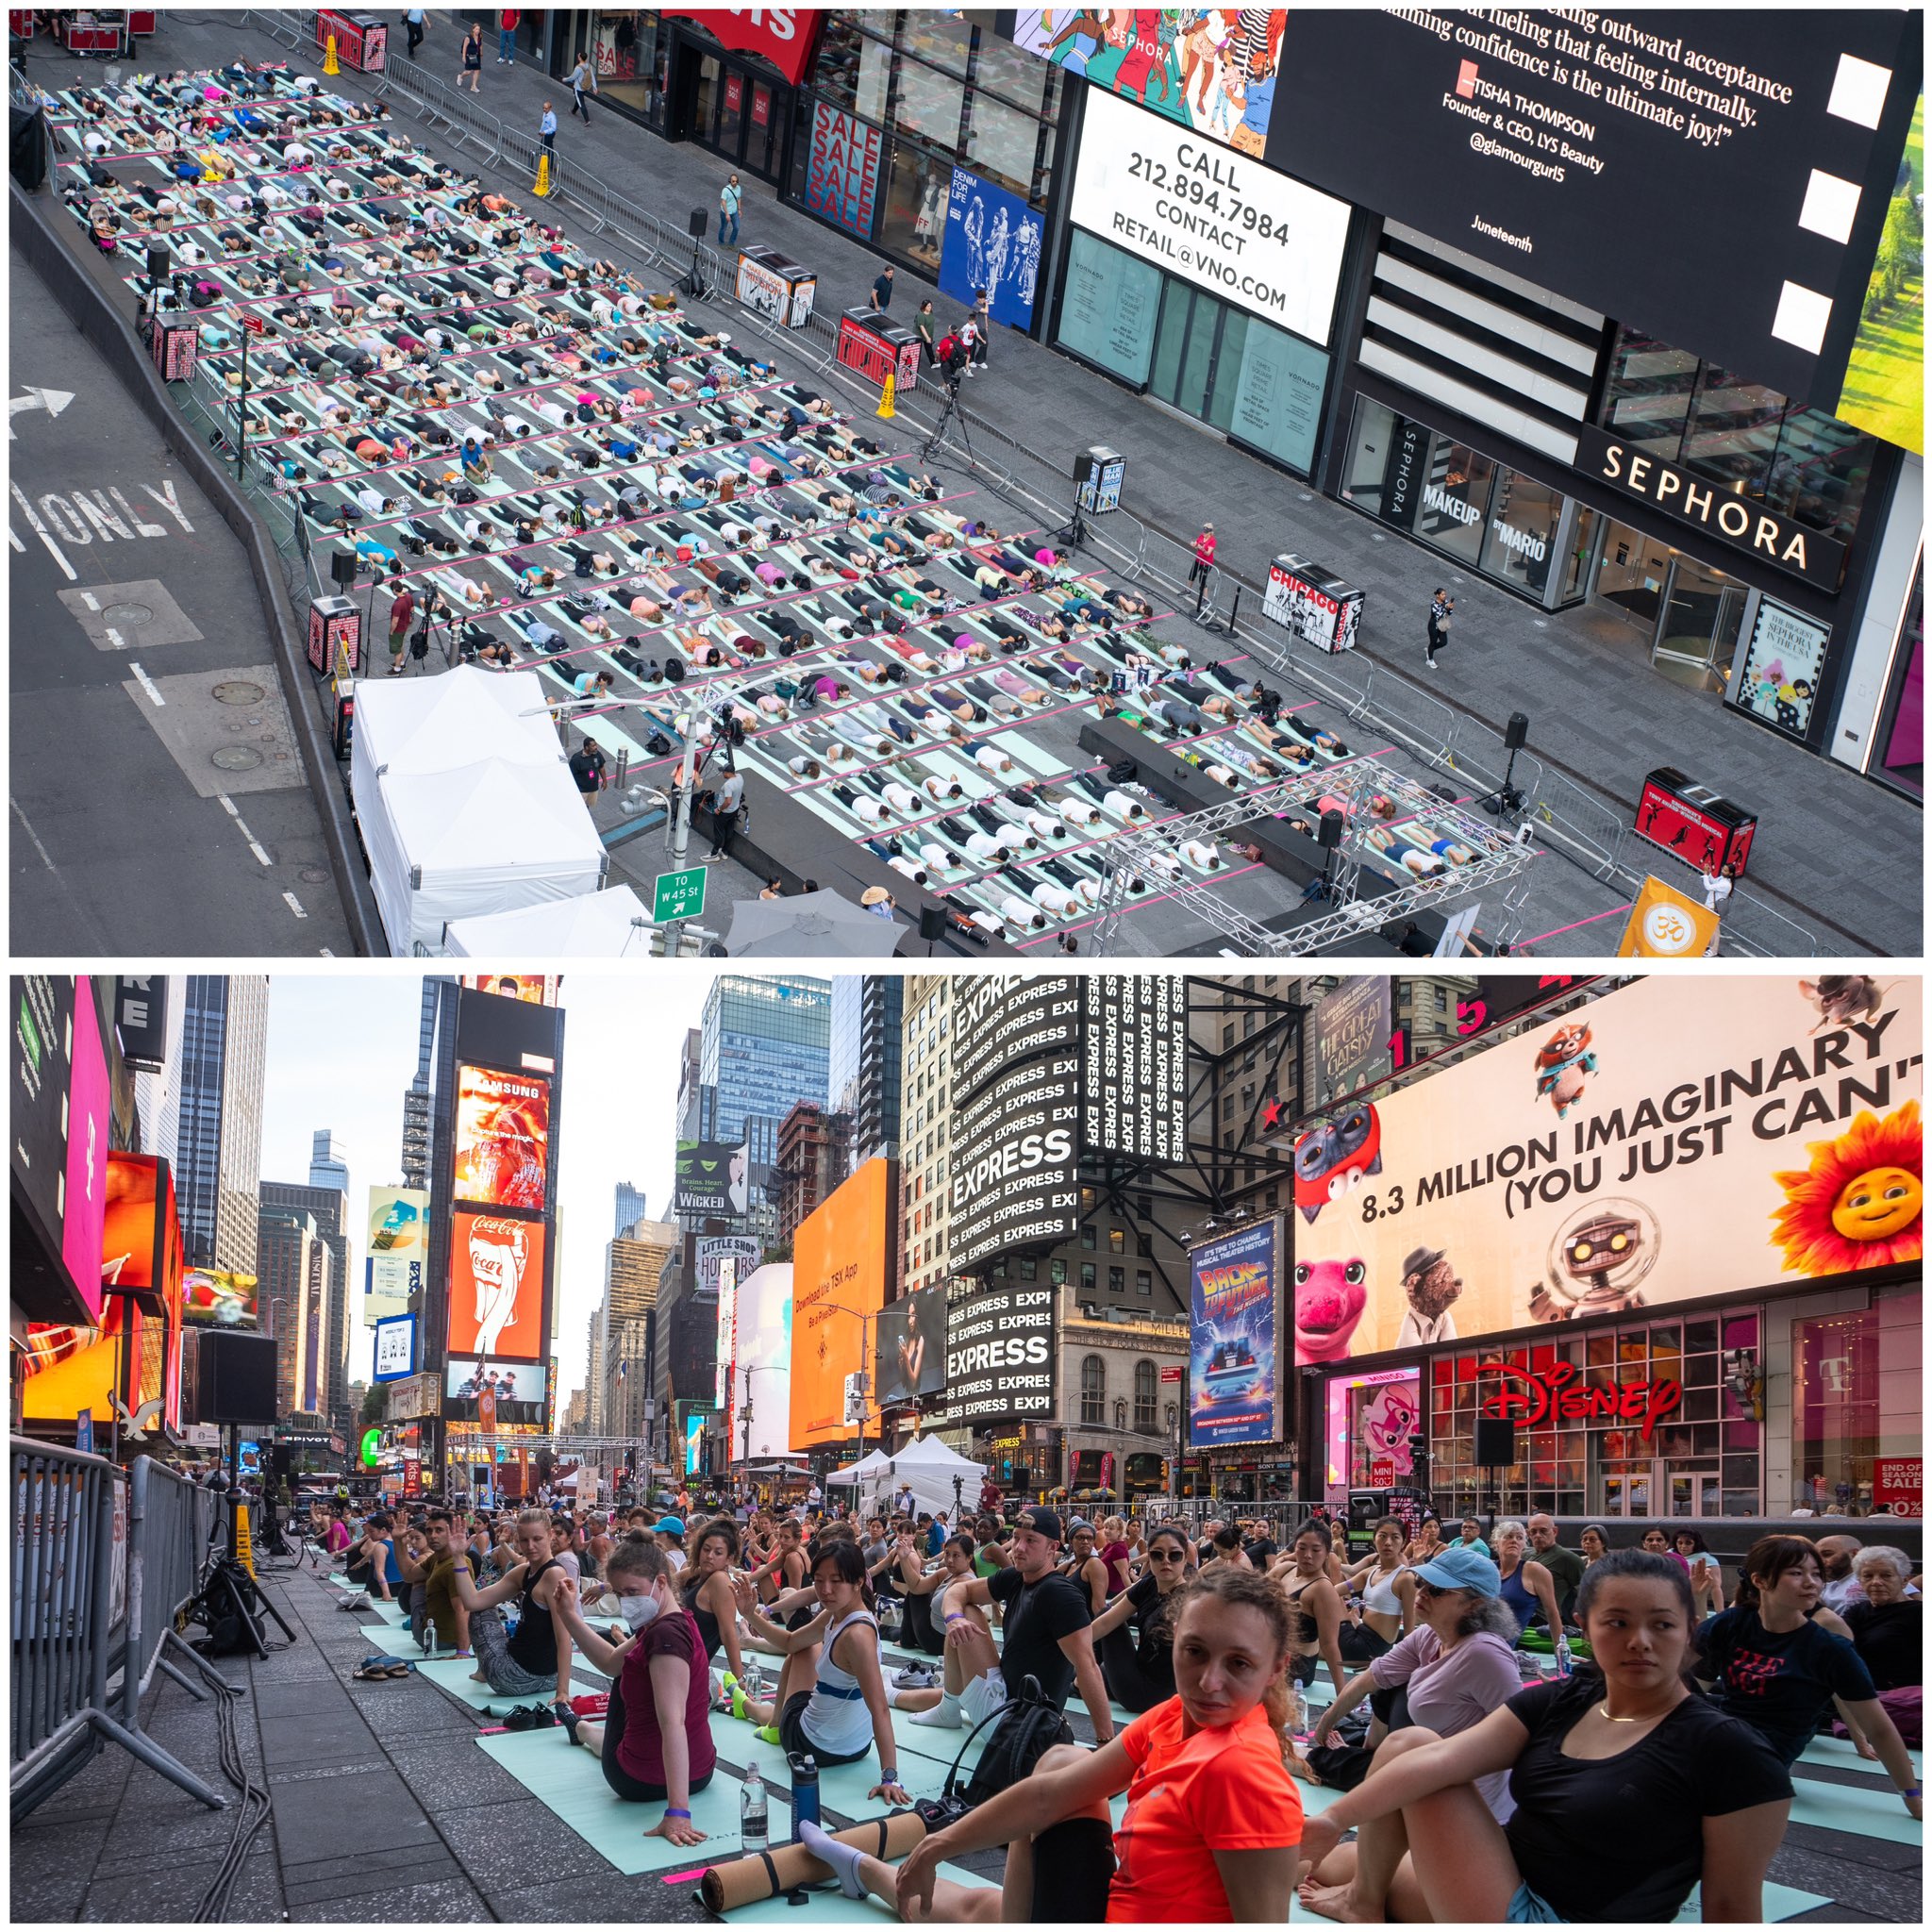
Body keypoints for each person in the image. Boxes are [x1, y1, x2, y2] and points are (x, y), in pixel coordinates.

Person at [1299, 1549, 1797, 1922]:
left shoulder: (1734, 1754)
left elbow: (1732, 1908)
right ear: (1586, 1627)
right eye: (1617, 1622)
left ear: (1691, 1630)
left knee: (1405, 1761)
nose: (1639, 1642)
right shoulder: (1559, 1701)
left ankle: (1363, 1900)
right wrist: (1334, 1819)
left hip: (1549, 1918)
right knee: (1331, 1858)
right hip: (1503, 1874)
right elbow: (1439, 1760)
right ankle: (1361, 1897)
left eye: (1662, 1625)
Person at [808, 1568, 1303, 1923]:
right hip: (1118, 1906)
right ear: (1175, 1642)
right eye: (1194, 1652)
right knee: (1060, 1760)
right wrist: (935, 1846)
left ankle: (863, 1869)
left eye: (1239, 1664)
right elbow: (1049, 1795)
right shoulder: (1177, 1714)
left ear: (1276, 1668)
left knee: (983, 1910)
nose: (1209, 1682)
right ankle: (865, 1869)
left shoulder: (1244, 1774)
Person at [1301, 1544, 1525, 1920]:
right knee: (1313, 1863)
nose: (1420, 1593)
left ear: (1474, 1604)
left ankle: (1363, 1901)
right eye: (1422, 1583)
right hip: (1418, 1810)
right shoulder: (1431, 1638)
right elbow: (1370, 1679)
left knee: (1311, 1867)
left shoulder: (1486, 1654)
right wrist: (1324, 1726)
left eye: (1436, 1590)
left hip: (1475, 1824)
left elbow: (1525, 1733)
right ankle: (1363, 1894)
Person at [1696, 1535, 1920, 1814]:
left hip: (1760, 1754)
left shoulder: (1829, 1647)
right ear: (1760, 1581)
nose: (1811, 1582)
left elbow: (1880, 1729)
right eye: (1796, 1573)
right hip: (1720, 1734)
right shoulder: (1733, 1622)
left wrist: (1913, 1798)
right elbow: (1678, 1677)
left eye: (1816, 1574)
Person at [726, 1540, 930, 1799]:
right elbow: (789, 1640)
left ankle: (753, 1710)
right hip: (857, 1746)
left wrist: (890, 1778)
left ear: (858, 1581)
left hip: (812, 1746)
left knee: (803, 1652)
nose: (825, 1590)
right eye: (819, 1580)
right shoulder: (848, 1612)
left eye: (836, 1581)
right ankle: (765, 1717)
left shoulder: (856, 1636)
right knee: (804, 1649)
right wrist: (751, 1614)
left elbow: (880, 1707)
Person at [549, 1540, 714, 1844]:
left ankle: (584, 1730)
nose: (626, 1602)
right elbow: (612, 1662)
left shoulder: (664, 1636)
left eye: (633, 1592)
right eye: (620, 1594)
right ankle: (584, 1729)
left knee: (629, 1677)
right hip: (701, 1772)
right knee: (627, 1666)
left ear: (660, 1582)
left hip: (640, 1780)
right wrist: (569, 1615)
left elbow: (672, 1724)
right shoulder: (670, 1620)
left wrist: (679, 1813)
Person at [908, 1505, 1114, 1743]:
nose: (1019, 1548)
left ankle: (945, 1707)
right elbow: (959, 1590)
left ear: (1052, 1548)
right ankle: (943, 1706)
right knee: (963, 1612)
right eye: (1016, 1538)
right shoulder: (1017, 1577)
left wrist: (1105, 1742)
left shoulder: (1058, 1593)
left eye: (1031, 1540)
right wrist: (953, 1619)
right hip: (1005, 1700)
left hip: (1018, 1723)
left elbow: (1088, 1666)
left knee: (967, 1611)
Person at [448, 1507, 575, 1707]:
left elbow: (564, 1636)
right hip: (549, 1679)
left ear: (550, 1536)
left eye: (537, 1539)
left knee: (482, 1610)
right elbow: (471, 1600)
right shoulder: (523, 1572)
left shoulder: (553, 1574)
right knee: (484, 1604)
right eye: (524, 1540)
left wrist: (563, 1692)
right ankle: (484, 1671)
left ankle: (483, 1672)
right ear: (517, 1540)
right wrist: (457, 1557)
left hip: (511, 1678)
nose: (530, 1546)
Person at [1090, 1524, 1188, 1714]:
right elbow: (1107, 1618)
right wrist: (1068, 1647)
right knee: (1091, 1669)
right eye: (1157, 1555)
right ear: (1149, 1558)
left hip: (1151, 1695)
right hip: (1135, 1671)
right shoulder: (1149, 1584)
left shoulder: (1191, 1599)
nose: (1166, 1561)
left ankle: (1079, 1681)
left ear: (1185, 1558)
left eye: (1174, 1555)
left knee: (1091, 1671)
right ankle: (1078, 1677)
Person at [1842, 1546, 1921, 1745]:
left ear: (1904, 1580)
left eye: (1886, 1575)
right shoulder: (1857, 1612)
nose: (1876, 1582)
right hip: (1861, 1700)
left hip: (1903, 1703)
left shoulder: (1919, 1614)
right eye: (1867, 1576)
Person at [1267, 1522, 1349, 1698]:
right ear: (1294, 1548)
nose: (1307, 1556)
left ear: (1327, 1553)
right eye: (1302, 1548)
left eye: (1316, 1550)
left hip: (1298, 1667)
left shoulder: (1323, 1589)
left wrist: (1342, 1695)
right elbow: (1252, 1597)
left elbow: (1330, 1645)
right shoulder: (1284, 1570)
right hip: (1272, 1654)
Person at [1341, 1516, 1418, 1661]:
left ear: (1403, 1543)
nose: (1388, 1543)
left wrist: (1407, 1661)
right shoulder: (1370, 1572)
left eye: (1395, 1537)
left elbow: (1409, 1622)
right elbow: (1334, 1590)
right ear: (1374, 1540)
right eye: (1382, 1536)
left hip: (1370, 1647)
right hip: (1359, 1633)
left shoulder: (1405, 1578)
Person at [394, 1509, 471, 1655]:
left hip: (439, 1641)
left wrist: (462, 1652)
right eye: (429, 1531)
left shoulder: (455, 1565)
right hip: (430, 1636)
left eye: (439, 1530)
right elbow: (409, 1575)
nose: (433, 1536)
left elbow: (462, 1609)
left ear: (451, 1532)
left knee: (419, 1582)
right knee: (418, 1578)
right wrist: (398, 1541)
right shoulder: (436, 1557)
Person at [1491, 1520, 1564, 1648]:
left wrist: (1560, 1650)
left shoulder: (1534, 1571)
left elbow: (1552, 1612)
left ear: (1523, 1545)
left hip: (1502, 1647)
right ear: (1496, 1543)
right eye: (1508, 1536)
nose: (1514, 1540)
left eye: (1519, 1538)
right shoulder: (1488, 1569)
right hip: (1475, 1638)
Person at [1524, 1515, 1583, 1624]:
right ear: (1528, 1534)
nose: (1538, 1535)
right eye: (1533, 1532)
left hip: (1543, 1622)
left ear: (1554, 1531)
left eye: (1543, 1531)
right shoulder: (1524, 1555)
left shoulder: (1567, 1558)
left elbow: (1586, 1591)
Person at [1674, 1527, 1725, 1615]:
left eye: (1688, 1543)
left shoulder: (1707, 1560)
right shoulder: (1671, 1554)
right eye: (1680, 1543)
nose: (1683, 1546)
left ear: (1696, 1544)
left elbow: (1716, 1587)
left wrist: (1720, 1613)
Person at [708, 767, 744, 861]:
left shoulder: (728, 785)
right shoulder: (740, 777)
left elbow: (728, 801)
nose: (722, 774)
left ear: (728, 773)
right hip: (734, 810)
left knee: (719, 833)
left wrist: (719, 809)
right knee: (729, 831)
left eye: (723, 772)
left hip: (724, 812)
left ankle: (714, 854)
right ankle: (725, 852)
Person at [568, 737, 607, 802]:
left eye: (596, 745)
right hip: (581, 791)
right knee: (580, 807)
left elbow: (601, 767)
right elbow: (570, 774)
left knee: (589, 805)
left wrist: (605, 781)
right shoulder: (576, 759)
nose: (596, 747)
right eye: (593, 746)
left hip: (594, 789)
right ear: (586, 747)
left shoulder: (597, 754)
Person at [1424, 589, 1453, 670]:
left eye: (1445, 594)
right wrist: (1446, 608)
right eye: (1442, 594)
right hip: (1433, 626)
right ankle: (1430, 660)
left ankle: (1430, 650)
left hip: (1442, 625)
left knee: (1444, 642)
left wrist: (1450, 608)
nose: (1444, 596)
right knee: (1433, 642)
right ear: (1438, 595)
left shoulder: (1446, 602)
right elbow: (1439, 615)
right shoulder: (1434, 604)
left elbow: (1449, 613)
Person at [568, 51, 596, 119]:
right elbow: (592, 76)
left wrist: (565, 79)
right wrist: (595, 87)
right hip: (585, 87)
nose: (578, 56)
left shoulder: (578, 68)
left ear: (580, 58)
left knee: (581, 103)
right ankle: (573, 111)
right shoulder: (589, 66)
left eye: (578, 56)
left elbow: (572, 77)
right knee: (578, 99)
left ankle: (587, 120)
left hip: (578, 88)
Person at [458, 22, 483, 92]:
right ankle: (461, 76)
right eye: (476, 29)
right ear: (473, 29)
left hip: (476, 55)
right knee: (468, 71)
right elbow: (464, 47)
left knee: (477, 70)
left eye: (479, 29)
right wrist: (463, 57)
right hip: (470, 55)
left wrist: (481, 53)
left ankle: (473, 86)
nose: (478, 31)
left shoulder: (480, 36)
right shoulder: (468, 37)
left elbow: (480, 45)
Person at [1190, 523, 1216, 588]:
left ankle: (1205, 597)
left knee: (1202, 581)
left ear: (1210, 532)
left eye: (1206, 532)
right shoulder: (1201, 536)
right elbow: (1196, 544)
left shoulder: (1212, 541)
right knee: (1191, 575)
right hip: (1198, 560)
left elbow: (1208, 553)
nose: (1204, 533)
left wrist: (1203, 549)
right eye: (1204, 531)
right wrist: (1193, 544)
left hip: (1206, 563)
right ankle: (1187, 590)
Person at [718, 173, 741, 246]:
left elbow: (739, 198)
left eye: (736, 181)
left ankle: (731, 243)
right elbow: (723, 202)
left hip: (734, 212)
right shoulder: (725, 190)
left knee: (736, 227)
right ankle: (721, 243)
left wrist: (739, 209)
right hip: (725, 212)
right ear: (730, 181)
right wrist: (727, 214)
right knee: (723, 228)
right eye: (733, 181)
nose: (735, 183)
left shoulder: (739, 188)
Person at [914, 298, 938, 367]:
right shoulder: (921, 315)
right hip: (920, 335)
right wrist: (927, 337)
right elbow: (922, 327)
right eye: (928, 306)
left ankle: (933, 363)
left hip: (928, 335)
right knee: (917, 348)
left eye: (930, 306)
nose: (930, 307)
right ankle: (914, 361)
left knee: (929, 349)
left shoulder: (931, 313)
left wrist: (929, 337)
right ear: (924, 307)